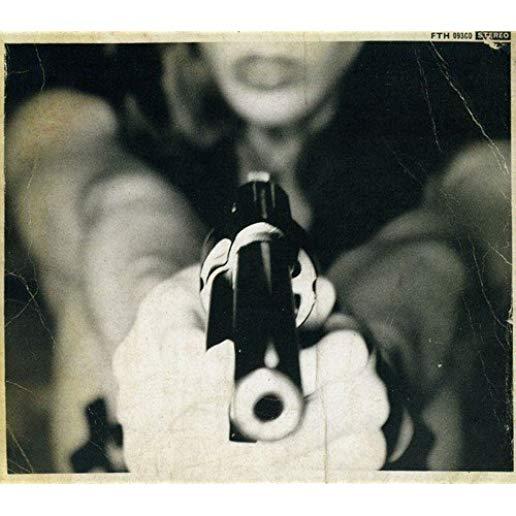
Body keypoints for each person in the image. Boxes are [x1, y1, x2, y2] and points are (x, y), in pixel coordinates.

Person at [5, 41, 511, 476]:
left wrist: (383, 351)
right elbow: (107, 200)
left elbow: (457, 243)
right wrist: (157, 314)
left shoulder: (470, 86)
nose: (270, 27)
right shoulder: (77, 73)